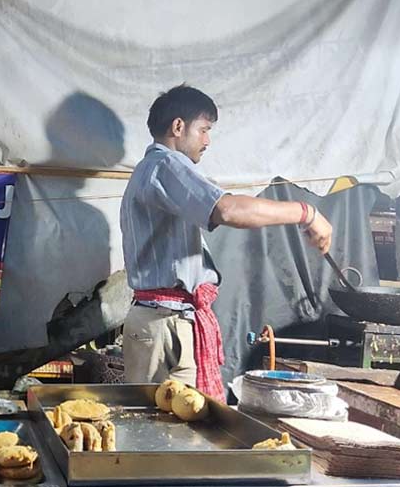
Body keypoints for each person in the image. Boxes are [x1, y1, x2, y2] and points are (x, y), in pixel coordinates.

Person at [120, 84, 333, 402]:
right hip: (163, 325)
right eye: (204, 130)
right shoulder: (165, 166)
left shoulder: (154, 171)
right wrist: (306, 212)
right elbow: (229, 209)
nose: (207, 141)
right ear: (178, 127)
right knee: (158, 434)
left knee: (177, 431)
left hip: (168, 322)